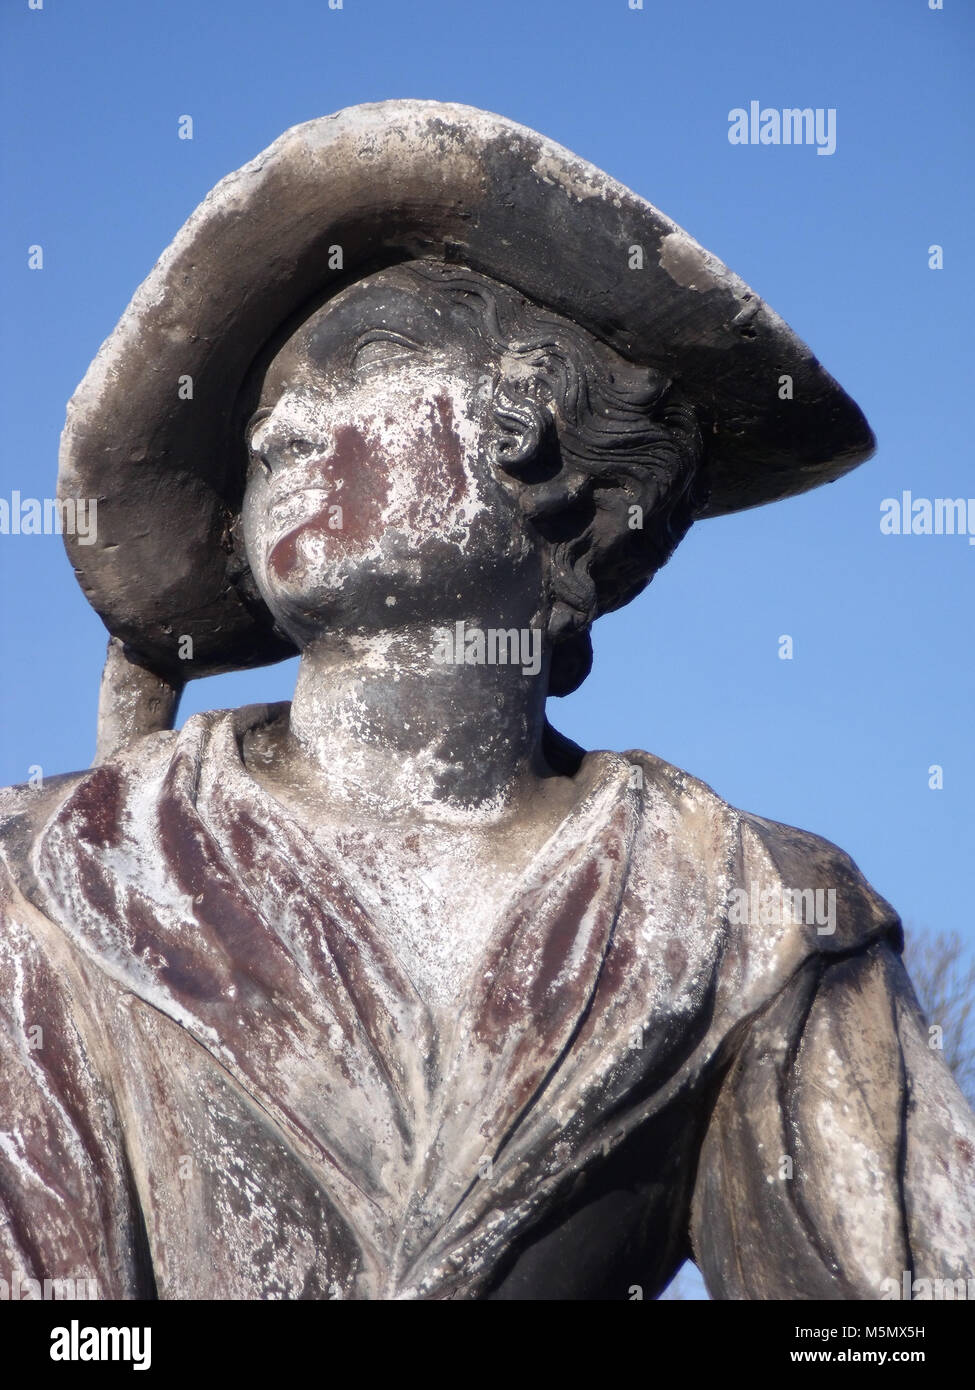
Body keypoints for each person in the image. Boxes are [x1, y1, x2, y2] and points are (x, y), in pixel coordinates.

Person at [2, 102, 972, 1301]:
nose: (282, 429)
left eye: (359, 368)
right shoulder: (57, 872)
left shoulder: (752, 913)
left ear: (543, 448)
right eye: (260, 424)